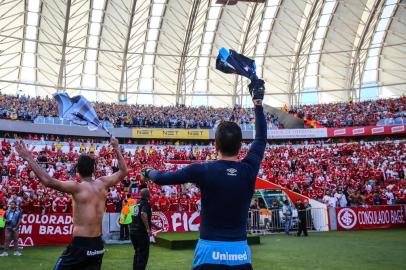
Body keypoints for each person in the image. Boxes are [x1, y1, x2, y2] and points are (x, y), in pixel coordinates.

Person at [141, 81, 266, 270]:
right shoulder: (249, 169)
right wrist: (257, 103)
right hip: (240, 254)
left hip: (209, 252)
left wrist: (148, 172)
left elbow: (162, 178)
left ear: (216, 146)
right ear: (241, 146)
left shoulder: (202, 170)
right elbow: (261, 138)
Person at [13, 138, 127, 269]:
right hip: (97, 245)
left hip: (80, 245)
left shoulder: (77, 188)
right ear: (94, 169)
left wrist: (29, 158)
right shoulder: (103, 183)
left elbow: (47, 181)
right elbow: (123, 171)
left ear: (77, 170)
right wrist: (117, 148)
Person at [130, 188, 152, 270]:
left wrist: (153, 224)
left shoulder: (137, 203)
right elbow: (143, 214)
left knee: (137, 253)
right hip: (141, 233)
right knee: (143, 255)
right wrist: (148, 229)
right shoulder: (145, 203)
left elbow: (139, 216)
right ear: (147, 195)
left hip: (133, 231)